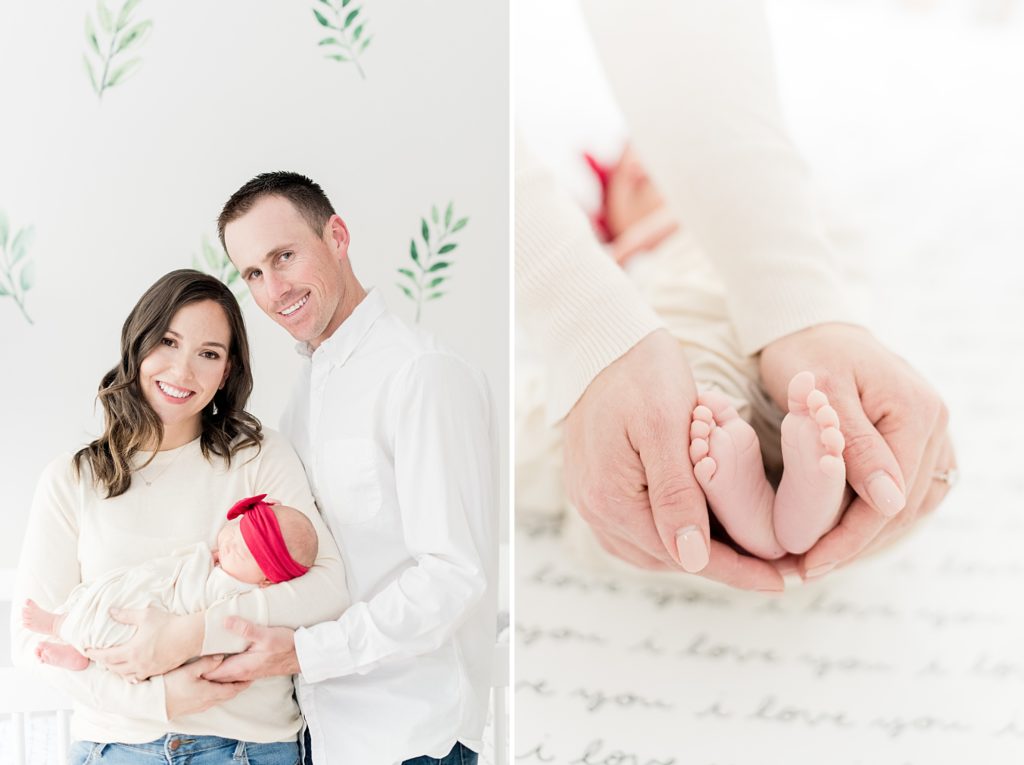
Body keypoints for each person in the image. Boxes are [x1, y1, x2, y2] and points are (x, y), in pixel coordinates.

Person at [516, 0, 955, 588]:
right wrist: (594, 303)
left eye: (658, 159)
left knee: (731, 384)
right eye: (631, 179)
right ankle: (786, 500)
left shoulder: (733, 226)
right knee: (592, 415)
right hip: (650, 411)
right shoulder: (619, 256)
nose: (652, 173)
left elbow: (817, 242)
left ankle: (796, 494)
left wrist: (803, 302)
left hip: (745, 366)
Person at [85, 174, 498, 765]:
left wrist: (306, 652)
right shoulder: (305, 398)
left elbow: (453, 576)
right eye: (253, 273)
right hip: (317, 735)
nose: (274, 288)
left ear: (337, 236)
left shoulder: (422, 375)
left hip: (411, 736)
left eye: (284, 256)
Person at [11, 270, 349, 764]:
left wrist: (191, 635)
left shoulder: (259, 456)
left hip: (248, 748)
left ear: (228, 370)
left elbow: (328, 591)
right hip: (116, 746)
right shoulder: (72, 478)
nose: (183, 372)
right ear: (139, 341)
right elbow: (32, 638)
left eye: (208, 354)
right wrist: (158, 699)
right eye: (168, 342)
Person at [22, 494, 318, 672]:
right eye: (237, 531)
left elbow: (198, 602)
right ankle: (74, 637)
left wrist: (204, 561)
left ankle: (61, 630)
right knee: (100, 594)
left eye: (247, 551)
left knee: (114, 621)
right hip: (147, 590)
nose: (231, 544)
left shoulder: (238, 592)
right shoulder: (226, 569)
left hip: (161, 617)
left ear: (266, 581)